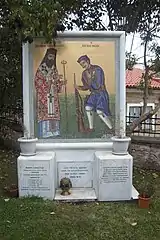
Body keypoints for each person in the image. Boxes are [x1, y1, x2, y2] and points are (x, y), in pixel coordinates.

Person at [76, 55, 112, 132]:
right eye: (81, 64)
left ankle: (111, 128)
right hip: (93, 94)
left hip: (101, 93)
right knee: (88, 107)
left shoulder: (98, 69)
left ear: (88, 61)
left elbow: (97, 85)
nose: (83, 65)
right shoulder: (84, 73)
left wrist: (89, 79)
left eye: (83, 63)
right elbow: (87, 87)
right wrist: (79, 87)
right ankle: (91, 128)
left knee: (100, 111)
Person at [34, 48, 66, 138]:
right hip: (44, 95)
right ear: (46, 56)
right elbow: (37, 81)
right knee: (46, 113)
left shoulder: (54, 69)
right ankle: (45, 133)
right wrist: (47, 83)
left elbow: (56, 81)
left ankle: (55, 132)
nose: (51, 59)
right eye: (50, 56)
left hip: (53, 94)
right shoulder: (41, 68)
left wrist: (61, 83)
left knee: (53, 112)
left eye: (53, 57)